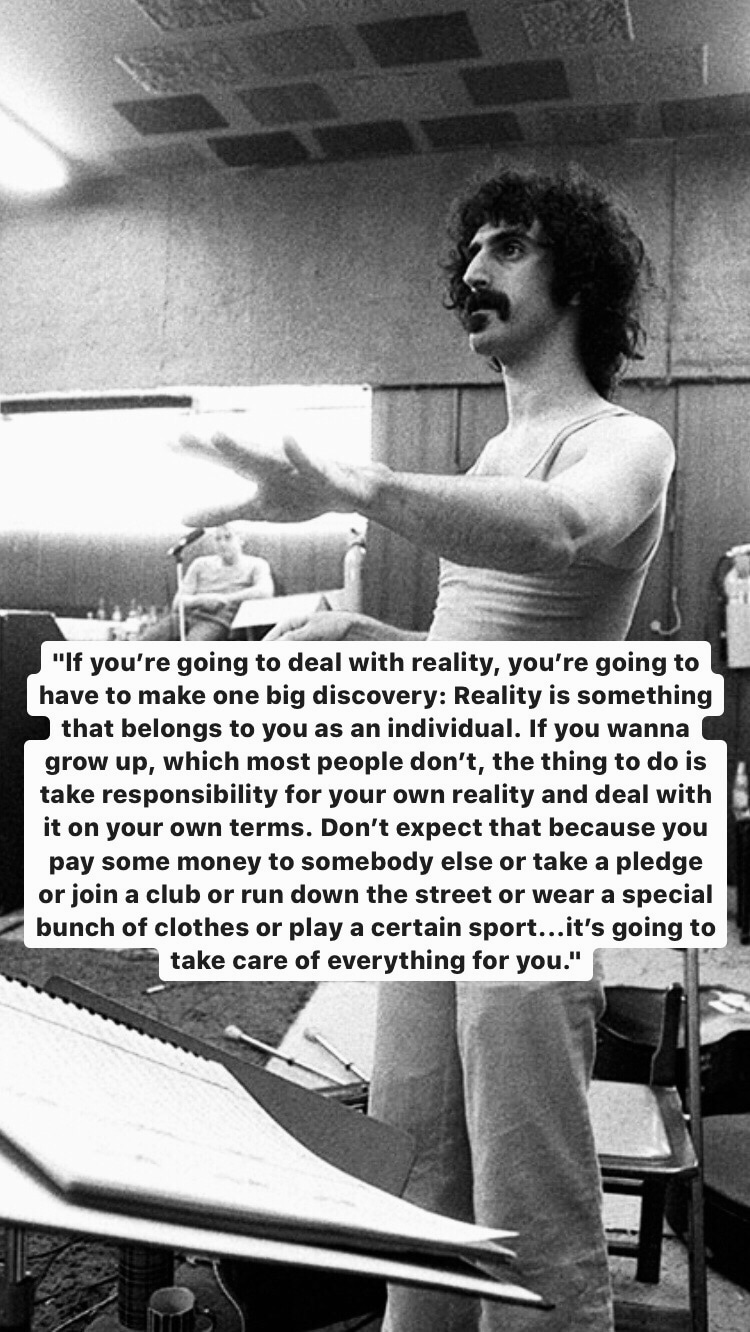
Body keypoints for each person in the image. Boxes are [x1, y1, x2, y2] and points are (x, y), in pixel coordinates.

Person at [176, 167, 674, 1331]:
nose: (473, 272)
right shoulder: (492, 458)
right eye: (472, 252)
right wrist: (376, 640)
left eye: (509, 247)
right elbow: (486, 651)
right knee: (417, 1166)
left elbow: (568, 533)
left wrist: (354, 482)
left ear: (579, 280)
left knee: (526, 1182)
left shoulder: (624, 441)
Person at [141, 522, 274, 640]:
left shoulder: (256, 564)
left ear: (241, 539)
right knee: (146, 640)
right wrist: (202, 600)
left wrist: (225, 599)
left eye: (228, 537)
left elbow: (265, 591)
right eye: (217, 539)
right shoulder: (200, 564)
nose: (222, 543)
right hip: (185, 617)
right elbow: (178, 602)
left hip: (217, 620)